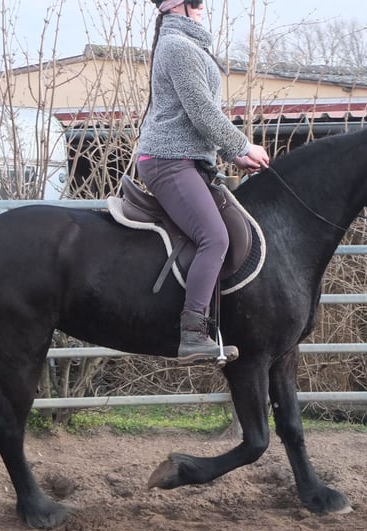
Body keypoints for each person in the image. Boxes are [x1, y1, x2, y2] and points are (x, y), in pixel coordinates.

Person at [137, 0, 269, 365]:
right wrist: (242, 144)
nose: (204, 5)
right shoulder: (178, 47)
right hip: (168, 162)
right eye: (198, 0)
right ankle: (193, 333)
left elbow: (197, 118)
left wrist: (234, 155)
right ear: (179, 4)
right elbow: (202, 112)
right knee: (215, 238)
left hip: (186, 159)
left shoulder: (188, 46)